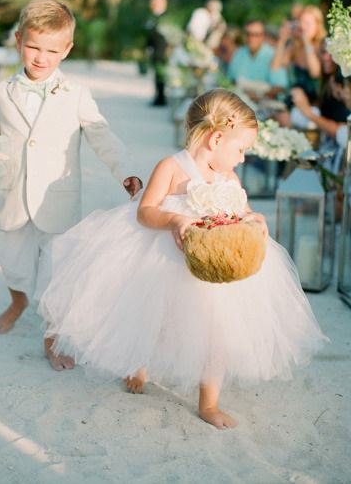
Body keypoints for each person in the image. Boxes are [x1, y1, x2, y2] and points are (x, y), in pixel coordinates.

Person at [38, 89, 327, 429]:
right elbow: (144, 212)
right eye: (241, 149)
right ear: (216, 138)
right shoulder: (172, 168)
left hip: (215, 269)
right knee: (156, 320)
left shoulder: (229, 177)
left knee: (217, 330)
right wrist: (174, 219)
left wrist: (254, 219)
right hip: (166, 262)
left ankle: (209, 403)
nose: (243, 159)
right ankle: (139, 362)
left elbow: (242, 211)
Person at [0, 0, 142, 336]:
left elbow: (101, 134)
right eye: (34, 47)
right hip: (13, 192)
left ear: (67, 49)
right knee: (10, 257)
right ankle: (18, 300)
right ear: (18, 41)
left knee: (58, 266)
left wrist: (124, 170)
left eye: (52, 51)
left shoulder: (76, 93)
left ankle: (53, 332)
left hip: (58, 197)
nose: (41, 58)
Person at [272, 5, 326, 127]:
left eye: (308, 23)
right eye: (302, 22)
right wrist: (282, 39)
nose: (303, 27)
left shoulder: (321, 47)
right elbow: (275, 67)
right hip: (294, 102)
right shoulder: (295, 47)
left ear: (318, 25)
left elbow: (315, 72)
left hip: (315, 106)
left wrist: (306, 41)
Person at [228, 20, 287, 100]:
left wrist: (259, 96)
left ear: (263, 36)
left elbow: (279, 87)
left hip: (264, 102)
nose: (251, 38)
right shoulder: (239, 53)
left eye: (256, 35)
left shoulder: (272, 55)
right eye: (248, 34)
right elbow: (231, 80)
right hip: (240, 99)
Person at [145, 0, 169, 106]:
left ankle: (161, 98)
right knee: (157, 74)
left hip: (162, 50)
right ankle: (158, 96)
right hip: (155, 49)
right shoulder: (154, 17)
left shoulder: (165, 17)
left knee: (161, 74)